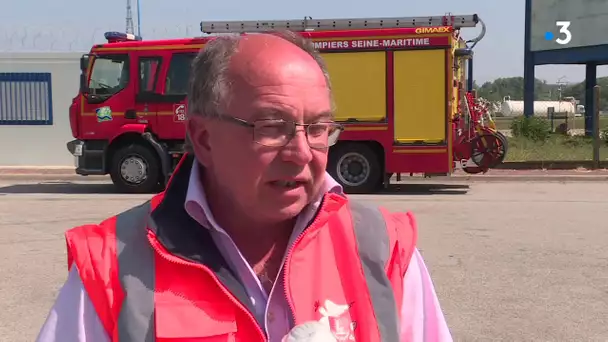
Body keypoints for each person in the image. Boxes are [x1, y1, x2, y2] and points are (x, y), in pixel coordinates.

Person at [36, 30, 452, 342]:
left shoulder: (383, 251)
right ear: (202, 139)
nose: (302, 153)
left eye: (319, 128)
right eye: (271, 128)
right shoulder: (114, 268)